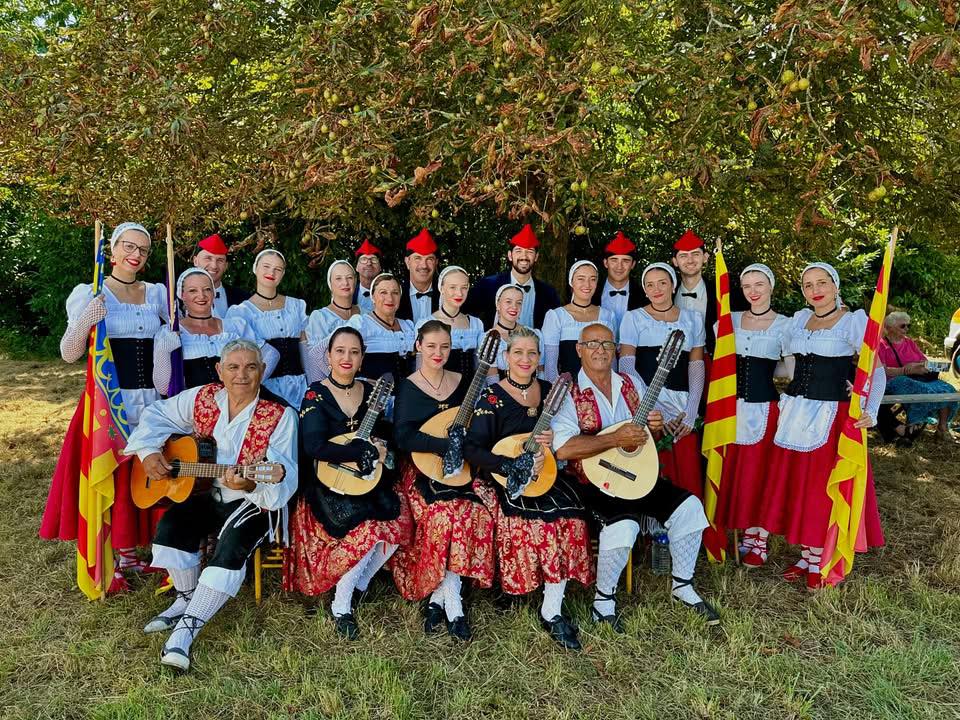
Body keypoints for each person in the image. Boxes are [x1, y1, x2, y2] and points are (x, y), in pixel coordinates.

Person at [126, 339, 298, 671]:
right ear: (220, 370)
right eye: (233, 367)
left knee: (230, 549)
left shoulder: (280, 416)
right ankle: (186, 598)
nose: (241, 375)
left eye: (250, 367)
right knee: (170, 529)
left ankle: (185, 632)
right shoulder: (202, 397)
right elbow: (156, 414)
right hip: (208, 492)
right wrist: (148, 452)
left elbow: (283, 477)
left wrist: (250, 482)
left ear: (262, 371)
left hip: (254, 500)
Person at [552, 323, 719, 629]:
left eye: (606, 344)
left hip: (637, 475)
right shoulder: (568, 393)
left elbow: (646, 439)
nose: (600, 350)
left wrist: (654, 427)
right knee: (624, 525)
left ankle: (682, 586)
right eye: (592, 344)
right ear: (579, 349)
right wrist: (614, 439)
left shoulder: (631, 384)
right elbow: (563, 449)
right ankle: (603, 602)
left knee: (690, 507)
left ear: (616, 349)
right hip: (591, 483)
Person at [44, 222, 168, 579]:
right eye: (128, 246)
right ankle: (111, 558)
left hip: (150, 398)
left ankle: (138, 550)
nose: (135, 254)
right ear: (112, 249)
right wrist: (85, 320)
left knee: (143, 474)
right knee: (110, 473)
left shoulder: (156, 294)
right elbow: (69, 353)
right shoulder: (92, 292)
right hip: (109, 402)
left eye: (143, 249)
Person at [464, 326, 593, 650]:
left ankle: (552, 609)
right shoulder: (491, 397)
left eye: (532, 353)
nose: (525, 359)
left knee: (570, 518)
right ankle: (515, 587)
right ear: (506, 357)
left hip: (544, 475)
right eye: (518, 352)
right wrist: (508, 465)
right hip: (501, 477)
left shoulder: (551, 391)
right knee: (534, 524)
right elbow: (473, 448)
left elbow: (566, 438)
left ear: (539, 358)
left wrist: (554, 439)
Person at [760, 263, 886, 590]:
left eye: (821, 282)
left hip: (830, 416)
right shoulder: (799, 321)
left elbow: (876, 369)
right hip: (795, 413)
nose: (815, 289)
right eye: (808, 284)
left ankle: (821, 558)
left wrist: (870, 408)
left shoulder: (851, 322)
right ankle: (806, 555)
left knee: (820, 488)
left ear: (835, 285)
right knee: (799, 485)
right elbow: (789, 365)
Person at [283, 327, 411, 639]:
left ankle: (359, 582)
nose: (347, 358)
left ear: (362, 358)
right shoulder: (316, 393)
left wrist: (381, 448)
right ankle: (341, 605)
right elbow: (315, 446)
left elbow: (382, 434)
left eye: (354, 352)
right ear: (328, 357)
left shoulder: (369, 391)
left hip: (365, 477)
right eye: (340, 351)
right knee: (367, 528)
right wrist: (360, 451)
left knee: (401, 520)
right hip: (328, 480)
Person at [391, 321, 495, 641]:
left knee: (477, 510)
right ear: (418, 346)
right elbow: (403, 436)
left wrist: (463, 446)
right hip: (421, 469)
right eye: (432, 346)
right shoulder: (408, 386)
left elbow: (474, 427)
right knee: (445, 514)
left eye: (445, 347)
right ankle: (454, 606)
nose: (438, 353)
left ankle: (439, 598)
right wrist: (442, 444)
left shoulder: (463, 382)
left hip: (461, 469)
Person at [709, 264, 791, 567]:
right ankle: (740, 529)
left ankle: (759, 537)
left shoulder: (785, 325)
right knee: (734, 472)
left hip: (764, 408)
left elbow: (790, 370)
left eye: (759, 284)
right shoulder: (727, 321)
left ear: (771, 287)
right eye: (747, 286)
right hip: (728, 409)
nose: (753, 291)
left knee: (760, 474)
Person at [619, 263, 706, 498]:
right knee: (653, 468)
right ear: (644, 290)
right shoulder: (633, 318)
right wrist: (655, 409)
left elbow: (696, 365)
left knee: (687, 469)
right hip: (646, 405)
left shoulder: (693, 319)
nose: (656, 289)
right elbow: (626, 366)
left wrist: (691, 411)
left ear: (673, 285)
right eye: (650, 285)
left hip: (682, 406)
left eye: (662, 283)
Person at [152, 268, 279, 392]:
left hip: (238, 402)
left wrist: (249, 385)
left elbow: (271, 354)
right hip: (193, 403)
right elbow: (163, 388)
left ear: (213, 293)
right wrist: (164, 349)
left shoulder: (235, 326)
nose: (201, 295)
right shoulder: (169, 333)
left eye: (207, 289)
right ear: (182, 295)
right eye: (192, 290)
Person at [225, 249, 310, 408]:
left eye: (278, 269)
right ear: (255, 268)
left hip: (300, 385)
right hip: (265, 388)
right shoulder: (241, 312)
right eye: (266, 266)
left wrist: (313, 381)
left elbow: (305, 347)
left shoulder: (296, 306)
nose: (271, 272)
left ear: (283, 274)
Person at [878, 311, 959, 443]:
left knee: (947, 388)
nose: (906, 329)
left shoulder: (909, 342)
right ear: (890, 327)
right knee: (917, 387)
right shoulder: (881, 345)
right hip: (895, 381)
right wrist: (904, 370)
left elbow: (924, 360)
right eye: (903, 326)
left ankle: (942, 428)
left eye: (908, 326)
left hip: (918, 378)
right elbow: (882, 371)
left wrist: (917, 366)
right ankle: (912, 426)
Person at [462, 224, 562, 328]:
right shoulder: (488, 285)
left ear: (536, 257)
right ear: (510, 255)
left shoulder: (548, 293)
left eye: (530, 251)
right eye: (518, 251)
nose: (524, 256)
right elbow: (465, 314)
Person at [542, 260, 618, 381]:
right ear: (571, 282)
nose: (587, 284)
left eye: (592, 279)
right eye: (581, 279)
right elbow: (550, 367)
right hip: (569, 388)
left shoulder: (608, 316)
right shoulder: (556, 316)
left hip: (603, 387)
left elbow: (612, 361)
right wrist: (559, 390)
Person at [415, 266, 484, 377]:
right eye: (453, 287)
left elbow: (479, 364)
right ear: (441, 288)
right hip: (439, 386)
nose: (459, 293)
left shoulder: (476, 324)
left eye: (464, 287)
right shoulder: (425, 323)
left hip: (472, 387)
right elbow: (420, 368)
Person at [348, 273, 416, 384]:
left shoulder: (409, 326)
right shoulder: (361, 324)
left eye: (395, 293)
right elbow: (335, 352)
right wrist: (360, 381)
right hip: (373, 393)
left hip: (408, 392)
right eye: (383, 292)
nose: (390, 298)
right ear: (373, 297)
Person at [305, 260, 361, 382]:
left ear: (355, 281)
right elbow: (316, 358)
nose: (345, 283)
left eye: (349, 278)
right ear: (330, 283)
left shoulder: (366, 313)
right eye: (338, 278)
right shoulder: (320, 317)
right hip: (332, 383)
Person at [671, 229, 718, 356]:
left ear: (705, 257)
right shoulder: (665, 294)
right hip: (674, 361)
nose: (690, 260)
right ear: (675, 261)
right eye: (683, 256)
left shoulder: (722, 293)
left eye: (695, 254)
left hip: (711, 360)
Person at [487, 284, 544, 382]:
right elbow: (492, 379)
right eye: (508, 302)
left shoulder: (535, 334)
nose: (514, 307)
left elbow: (540, 371)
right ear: (498, 304)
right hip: (501, 391)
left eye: (519, 303)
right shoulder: (488, 338)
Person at [591, 231, 645, 332]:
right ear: (606, 263)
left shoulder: (644, 295)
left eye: (625, 261)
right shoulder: (591, 292)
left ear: (633, 264)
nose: (619, 266)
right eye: (614, 260)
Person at [192, 233, 247, 318]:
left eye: (220, 260)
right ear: (195, 261)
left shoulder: (243, 299)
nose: (214, 266)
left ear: (226, 266)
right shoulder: (177, 297)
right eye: (208, 258)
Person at [396, 229, 440, 323]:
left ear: (436, 263)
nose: (424, 266)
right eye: (418, 258)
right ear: (407, 262)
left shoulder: (446, 295)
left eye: (430, 259)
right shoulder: (395, 296)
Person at [352, 239, 383, 315]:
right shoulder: (348, 293)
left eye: (374, 259)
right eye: (364, 259)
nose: (369, 263)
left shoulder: (391, 294)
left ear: (380, 267)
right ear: (356, 267)